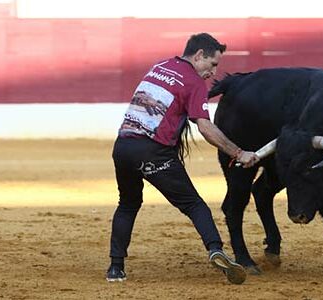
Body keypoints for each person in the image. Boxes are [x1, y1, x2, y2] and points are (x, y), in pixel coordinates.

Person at [106, 33, 259, 285]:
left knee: (128, 204)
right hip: (153, 151)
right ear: (199, 55)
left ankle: (116, 268)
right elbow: (205, 127)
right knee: (194, 205)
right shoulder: (194, 82)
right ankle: (215, 249)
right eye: (212, 64)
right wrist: (239, 153)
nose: (213, 72)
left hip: (123, 146)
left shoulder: (160, 66)